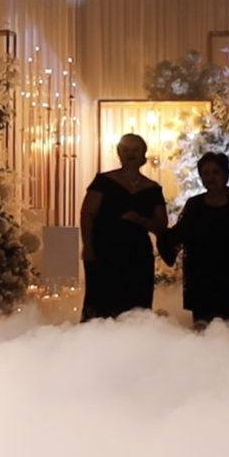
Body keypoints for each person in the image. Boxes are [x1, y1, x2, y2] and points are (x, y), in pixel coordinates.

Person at [162, 152, 229, 327]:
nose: (210, 178)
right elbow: (180, 233)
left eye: (215, 172)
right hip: (203, 277)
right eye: (206, 173)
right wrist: (154, 228)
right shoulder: (194, 204)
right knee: (206, 328)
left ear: (225, 174)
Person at [79, 134, 168, 320]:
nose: (130, 154)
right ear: (119, 154)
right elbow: (87, 214)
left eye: (135, 150)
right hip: (104, 252)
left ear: (144, 154)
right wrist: (88, 247)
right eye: (125, 150)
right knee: (100, 305)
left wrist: (141, 220)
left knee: (136, 307)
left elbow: (161, 225)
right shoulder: (103, 181)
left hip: (137, 255)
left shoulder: (152, 188)